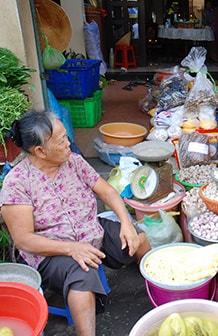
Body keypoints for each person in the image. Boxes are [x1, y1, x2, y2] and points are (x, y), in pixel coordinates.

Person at [0, 111, 151, 336]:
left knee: (138, 237)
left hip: (90, 230)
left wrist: (126, 223)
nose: (68, 143)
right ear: (40, 151)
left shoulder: (74, 161)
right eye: (61, 141)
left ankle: (154, 289)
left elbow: (107, 192)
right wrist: (72, 248)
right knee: (83, 273)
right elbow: (24, 239)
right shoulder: (17, 184)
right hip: (50, 251)